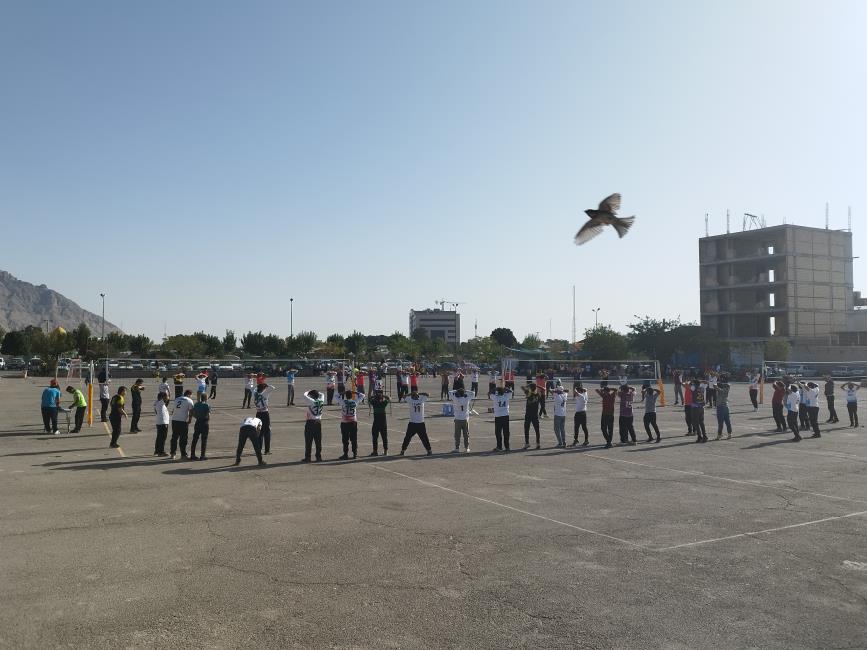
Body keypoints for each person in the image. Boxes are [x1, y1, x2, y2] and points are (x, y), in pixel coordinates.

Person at [401, 388, 432, 456]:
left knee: (409, 437)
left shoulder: (411, 400)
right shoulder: (421, 400)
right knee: (423, 438)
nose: (415, 397)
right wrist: (418, 393)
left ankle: (403, 450)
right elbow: (427, 394)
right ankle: (429, 450)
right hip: (419, 423)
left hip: (414, 423)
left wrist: (412, 393)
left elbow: (403, 396)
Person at [335, 389, 365, 460]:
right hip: (353, 422)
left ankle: (346, 454)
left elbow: (336, 396)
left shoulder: (343, 402)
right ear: (352, 396)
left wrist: (343, 392)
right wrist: (354, 392)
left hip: (345, 423)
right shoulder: (355, 402)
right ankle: (355, 453)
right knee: (354, 439)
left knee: (345, 439)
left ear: (345, 396)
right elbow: (362, 395)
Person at [170, 389, 195, 459]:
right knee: (183, 438)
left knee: (174, 437)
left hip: (174, 420)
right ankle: (183, 454)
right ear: (189, 394)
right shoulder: (189, 400)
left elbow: (173, 410)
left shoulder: (177, 399)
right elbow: (191, 412)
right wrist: (190, 420)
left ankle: (172, 453)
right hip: (183, 421)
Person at [449, 387, 475, 453]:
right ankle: (467, 448)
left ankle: (457, 448)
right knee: (466, 434)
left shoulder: (456, 399)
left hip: (457, 419)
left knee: (457, 435)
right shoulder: (466, 399)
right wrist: (466, 390)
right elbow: (473, 393)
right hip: (465, 419)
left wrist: (456, 390)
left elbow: (450, 392)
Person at [302, 389, 325, 462]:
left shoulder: (311, 401)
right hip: (318, 422)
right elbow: (322, 394)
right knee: (318, 441)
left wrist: (308, 391)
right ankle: (318, 457)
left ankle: (308, 457)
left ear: (312, 396)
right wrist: (317, 392)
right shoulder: (321, 400)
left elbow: (304, 395)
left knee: (308, 441)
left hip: (310, 422)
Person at [253, 382, 276, 455]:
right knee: (267, 432)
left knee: (259, 432)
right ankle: (267, 450)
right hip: (265, 414)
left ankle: (258, 449)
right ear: (263, 388)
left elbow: (255, 389)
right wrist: (266, 385)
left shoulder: (255, 394)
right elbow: (273, 387)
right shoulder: (265, 393)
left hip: (258, 414)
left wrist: (260, 386)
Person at [520, 384, 542, 450]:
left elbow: (522, 387)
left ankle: (527, 443)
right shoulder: (538, 394)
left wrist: (527, 386)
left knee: (526, 429)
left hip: (528, 414)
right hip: (535, 414)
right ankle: (538, 443)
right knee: (537, 430)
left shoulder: (529, 394)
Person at [369, 390, 390, 456]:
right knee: (384, 437)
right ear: (381, 398)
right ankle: (385, 451)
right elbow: (389, 398)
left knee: (375, 437)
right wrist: (382, 395)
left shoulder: (374, 403)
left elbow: (369, 398)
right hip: (383, 423)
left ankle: (375, 451)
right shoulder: (383, 404)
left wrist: (375, 396)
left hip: (376, 423)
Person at [491, 384, 512, 452]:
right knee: (506, 432)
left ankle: (499, 446)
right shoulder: (506, 396)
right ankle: (507, 446)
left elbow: (490, 393)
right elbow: (511, 391)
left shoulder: (495, 397)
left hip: (498, 416)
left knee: (498, 432)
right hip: (505, 415)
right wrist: (505, 388)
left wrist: (496, 388)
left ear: (498, 392)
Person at [595, 383, 616, 449]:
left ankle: (609, 442)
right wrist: (609, 389)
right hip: (610, 414)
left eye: (604, 391)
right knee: (609, 429)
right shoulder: (612, 395)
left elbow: (597, 390)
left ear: (606, 391)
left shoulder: (604, 395)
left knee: (605, 429)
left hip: (606, 415)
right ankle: (609, 442)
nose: (603, 392)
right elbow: (615, 390)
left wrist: (602, 389)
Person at [190, 394, 211, 460]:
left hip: (198, 422)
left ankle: (192, 455)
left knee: (195, 439)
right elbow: (208, 415)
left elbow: (193, 413)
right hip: (204, 423)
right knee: (204, 440)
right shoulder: (207, 405)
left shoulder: (196, 404)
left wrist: (197, 417)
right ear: (206, 398)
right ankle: (202, 456)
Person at [715, 374, 732, 440]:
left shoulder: (722, 389)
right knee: (727, 421)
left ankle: (719, 434)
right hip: (726, 406)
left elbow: (715, 386)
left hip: (720, 407)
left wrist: (716, 382)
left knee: (720, 422)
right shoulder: (727, 386)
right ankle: (729, 434)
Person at [153, 391, 170, 457]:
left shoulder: (157, 403)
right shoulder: (160, 402)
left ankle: (157, 450)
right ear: (162, 398)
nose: (167, 397)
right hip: (163, 422)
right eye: (166, 396)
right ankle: (161, 452)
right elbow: (167, 399)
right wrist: (167, 395)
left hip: (159, 422)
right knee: (163, 438)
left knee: (159, 437)